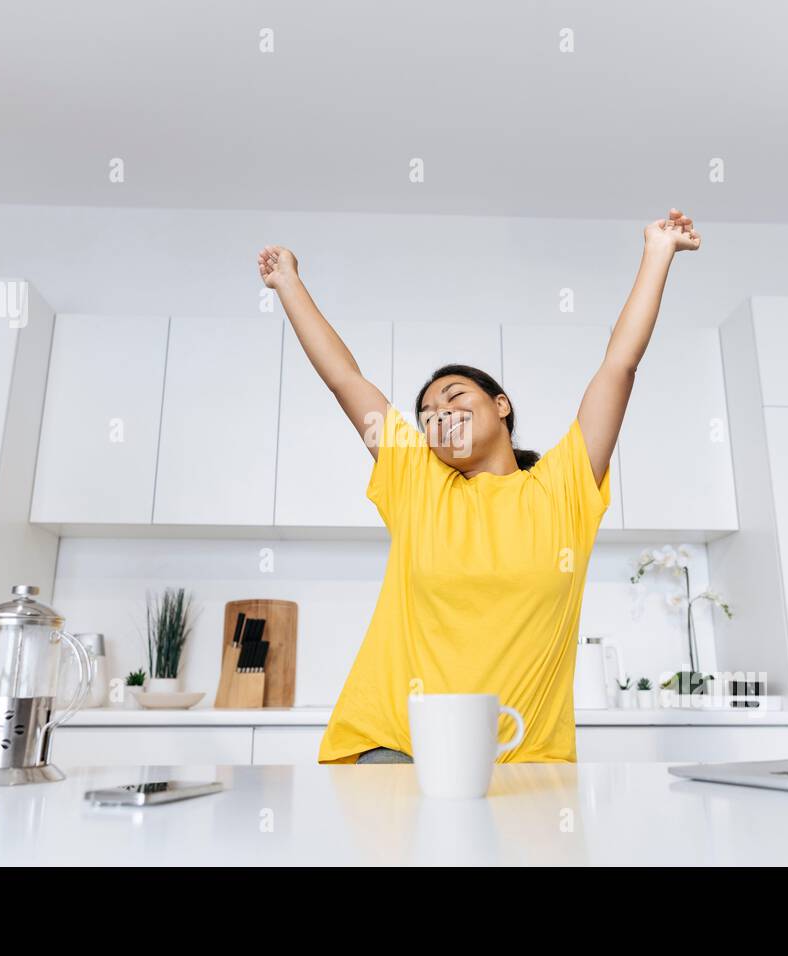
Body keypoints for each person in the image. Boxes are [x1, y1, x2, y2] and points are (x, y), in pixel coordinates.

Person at [256, 210, 701, 764]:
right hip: (395, 748)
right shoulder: (416, 480)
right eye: (427, 413)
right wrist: (289, 283)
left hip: (523, 760)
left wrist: (657, 253)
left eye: (455, 396)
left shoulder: (563, 487)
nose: (439, 413)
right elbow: (344, 378)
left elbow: (619, 365)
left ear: (500, 405)